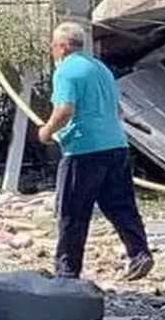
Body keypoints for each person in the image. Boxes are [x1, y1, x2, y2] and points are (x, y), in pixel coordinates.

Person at [40, 20, 153, 281]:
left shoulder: (66, 70)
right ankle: (139, 253)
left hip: (83, 149)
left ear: (62, 47)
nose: (53, 51)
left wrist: (46, 132)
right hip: (115, 145)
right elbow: (117, 110)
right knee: (121, 206)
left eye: (54, 46)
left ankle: (67, 270)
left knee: (72, 211)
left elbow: (65, 109)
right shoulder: (100, 68)